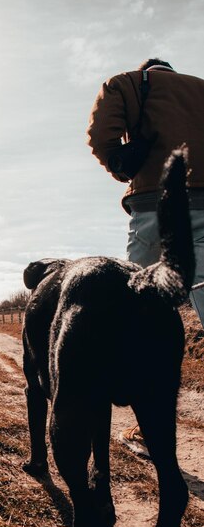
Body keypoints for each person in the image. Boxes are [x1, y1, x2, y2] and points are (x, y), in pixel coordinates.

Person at [87, 58, 204, 456]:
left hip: (155, 202)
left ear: (149, 69)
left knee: (139, 304)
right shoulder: (201, 88)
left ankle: (146, 425)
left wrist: (120, 167)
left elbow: (101, 136)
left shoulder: (127, 83)